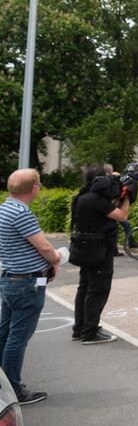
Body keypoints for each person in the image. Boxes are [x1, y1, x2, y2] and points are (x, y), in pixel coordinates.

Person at [0, 169, 62, 404]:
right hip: (27, 283)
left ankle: (3, 383)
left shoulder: (4, 208)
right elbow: (44, 247)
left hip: (9, 278)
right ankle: (14, 390)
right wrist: (56, 260)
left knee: (5, 333)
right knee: (17, 338)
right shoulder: (21, 213)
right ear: (34, 188)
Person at [71, 165, 128, 346]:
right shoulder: (96, 200)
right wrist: (127, 196)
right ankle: (90, 332)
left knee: (85, 288)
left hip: (86, 249)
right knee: (98, 290)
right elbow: (122, 216)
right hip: (98, 251)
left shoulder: (83, 197)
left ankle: (80, 328)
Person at [103, 164, 132, 257]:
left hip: (105, 208)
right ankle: (114, 250)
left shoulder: (100, 181)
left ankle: (113, 249)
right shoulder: (112, 180)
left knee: (113, 228)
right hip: (112, 208)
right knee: (114, 229)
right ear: (110, 171)